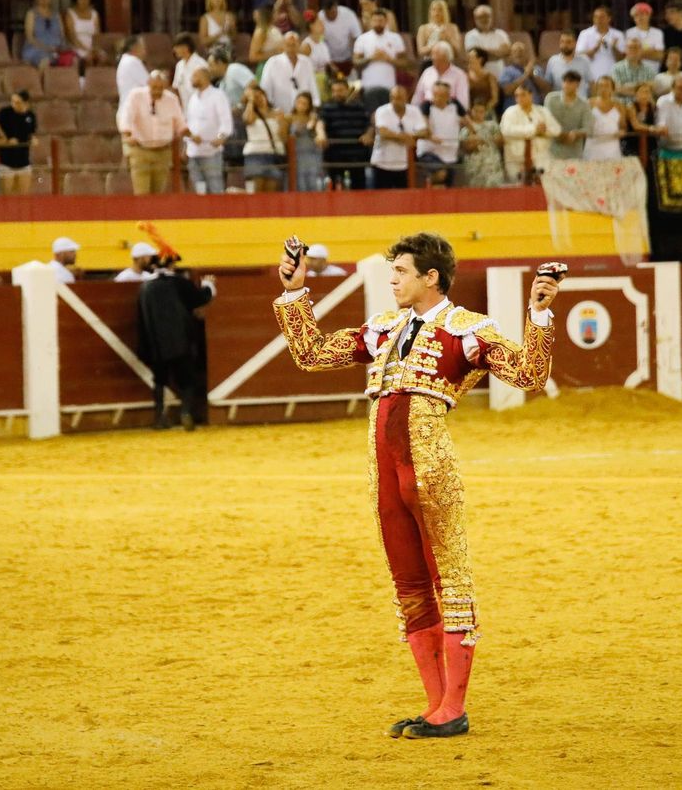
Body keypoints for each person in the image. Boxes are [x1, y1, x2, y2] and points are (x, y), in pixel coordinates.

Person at [272, 232, 558, 740]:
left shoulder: (467, 329)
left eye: (401, 272)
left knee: (450, 579)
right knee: (408, 584)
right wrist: (295, 293)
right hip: (383, 472)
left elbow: (531, 375)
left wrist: (538, 316)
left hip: (429, 470)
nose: (392, 282)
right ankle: (435, 705)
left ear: (432, 277)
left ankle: (455, 705)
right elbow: (312, 354)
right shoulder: (383, 328)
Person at [139, 259, 216, 430]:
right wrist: (208, 285)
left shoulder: (145, 287)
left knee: (159, 379)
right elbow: (201, 299)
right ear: (171, 266)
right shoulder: (179, 283)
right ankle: (186, 412)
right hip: (180, 341)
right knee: (187, 379)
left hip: (156, 344)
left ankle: (159, 418)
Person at [120, 70, 186, 195]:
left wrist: (189, 134)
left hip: (163, 152)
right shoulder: (136, 96)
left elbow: (180, 122)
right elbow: (126, 117)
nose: (157, 91)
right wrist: (127, 134)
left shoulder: (172, 99)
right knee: (142, 194)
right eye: (154, 87)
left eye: (161, 88)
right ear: (148, 84)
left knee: (158, 194)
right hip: (140, 150)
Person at [184, 63, 233, 194]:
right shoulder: (193, 98)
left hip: (211, 150)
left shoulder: (218, 95)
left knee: (215, 186)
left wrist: (220, 137)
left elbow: (226, 121)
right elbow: (188, 122)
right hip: (193, 150)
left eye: (195, 76)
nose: (191, 79)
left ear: (204, 78)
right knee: (198, 188)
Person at [353, 9, 411, 113]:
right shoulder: (362, 39)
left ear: (386, 21)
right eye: (375, 20)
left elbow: (405, 63)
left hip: (389, 87)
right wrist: (371, 58)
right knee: (373, 115)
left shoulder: (395, 38)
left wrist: (388, 59)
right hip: (369, 87)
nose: (378, 23)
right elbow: (356, 63)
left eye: (381, 20)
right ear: (371, 21)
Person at [370, 84, 427, 189]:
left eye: (399, 98)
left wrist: (410, 136)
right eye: (393, 98)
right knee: (381, 199)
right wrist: (405, 138)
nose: (395, 101)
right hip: (382, 163)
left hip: (404, 164)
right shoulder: (382, 111)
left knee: (404, 199)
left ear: (406, 98)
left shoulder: (414, 111)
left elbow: (424, 131)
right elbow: (383, 133)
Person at [499, 84, 557, 182]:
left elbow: (556, 129)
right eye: (517, 96)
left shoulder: (542, 111)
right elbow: (507, 130)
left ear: (531, 95)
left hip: (539, 158)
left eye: (523, 95)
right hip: (516, 159)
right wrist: (533, 130)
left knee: (541, 188)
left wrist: (544, 131)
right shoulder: (510, 112)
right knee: (517, 190)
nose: (519, 98)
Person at [0, 89, 39, 196]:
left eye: (18, 102)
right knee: (6, 196)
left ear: (26, 103)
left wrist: (33, 139)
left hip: (23, 161)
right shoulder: (4, 113)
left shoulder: (31, 115)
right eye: (13, 102)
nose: (14, 105)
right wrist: (6, 140)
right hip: (6, 161)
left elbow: (32, 133)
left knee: (23, 196)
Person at [544, 71, 590, 161]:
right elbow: (547, 120)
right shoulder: (551, 99)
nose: (566, 84)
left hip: (574, 153)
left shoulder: (584, 104)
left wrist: (576, 133)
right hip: (553, 150)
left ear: (578, 84)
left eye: (570, 82)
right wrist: (559, 134)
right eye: (564, 81)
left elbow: (588, 128)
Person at [290, 91, 328, 191]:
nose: (301, 106)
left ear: (309, 105)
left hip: (313, 157)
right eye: (299, 102)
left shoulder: (315, 120)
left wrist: (319, 134)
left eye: (304, 103)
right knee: (299, 185)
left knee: (313, 184)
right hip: (296, 157)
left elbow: (321, 135)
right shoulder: (289, 118)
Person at [21, 0, 66, 69]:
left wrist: (60, 48)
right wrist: (47, 48)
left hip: (56, 49)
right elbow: (30, 37)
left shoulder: (56, 15)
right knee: (45, 60)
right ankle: (43, 81)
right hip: (36, 49)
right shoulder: (31, 14)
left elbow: (62, 34)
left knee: (74, 60)